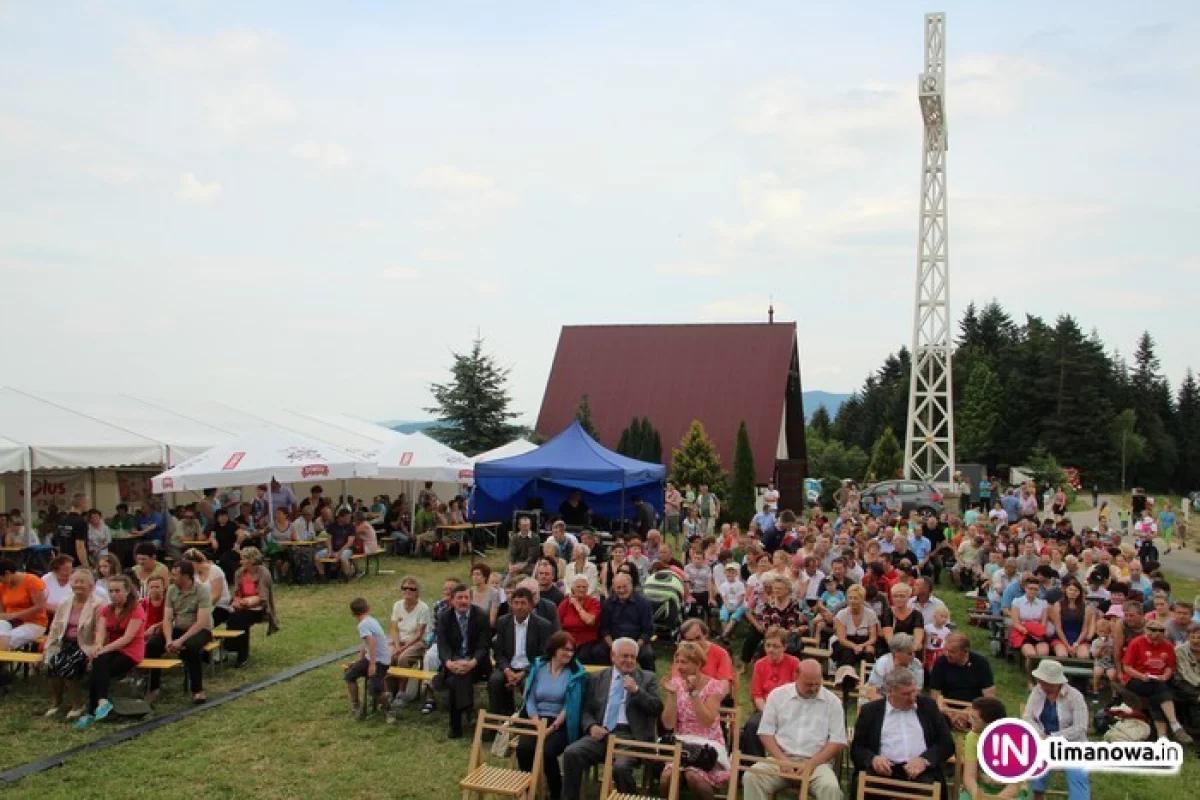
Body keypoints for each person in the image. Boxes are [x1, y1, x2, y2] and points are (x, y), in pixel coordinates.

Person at [561, 638, 663, 800]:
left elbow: (657, 708)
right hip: (602, 733)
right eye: (624, 656)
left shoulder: (647, 678)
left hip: (631, 737)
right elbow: (586, 709)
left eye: (632, 657)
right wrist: (591, 726)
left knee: (620, 768)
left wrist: (636, 691)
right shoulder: (597, 678)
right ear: (613, 656)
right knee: (571, 753)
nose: (629, 661)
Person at [743, 659, 847, 800]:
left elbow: (838, 740)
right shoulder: (777, 695)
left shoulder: (833, 702)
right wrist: (782, 760)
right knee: (752, 776)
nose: (813, 688)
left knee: (831, 788)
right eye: (808, 684)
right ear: (796, 676)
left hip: (816, 764)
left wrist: (812, 764)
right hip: (780, 760)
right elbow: (765, 732)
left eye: (817, 684)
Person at [851, 668, 954, 792]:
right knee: (864, 785)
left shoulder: (928, 707)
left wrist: (924, 761)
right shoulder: (870, 711)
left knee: (931, 788)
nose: (912, 698)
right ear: (890, 691)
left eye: (914, 692)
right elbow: (857, 748)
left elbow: (947, 744)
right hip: (884, 771)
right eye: (905, 694)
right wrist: (873, 759)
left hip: (921, 771)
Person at [517, 631, 588, 799]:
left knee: (547, 751)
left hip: (561, 722)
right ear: (554, 649)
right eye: (565, 649)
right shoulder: (539, 667)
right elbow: (530, 696)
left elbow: (570, 705)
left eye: (572, 650)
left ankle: (557, 792)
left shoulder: (575, 673)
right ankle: (530, 791)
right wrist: (535, 721)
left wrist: (554, 726)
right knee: (524, 749)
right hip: (536, 718)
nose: (569, 654)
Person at [660, 641, 730, 799]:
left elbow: (707, 722)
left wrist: (693, 694)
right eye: (677, 661)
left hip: (708, 743)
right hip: (682, 743)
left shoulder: (714, 686)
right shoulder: (675, 684)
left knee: (694, 777)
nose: (678, 666)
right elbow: (668, 724)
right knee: (666, 778)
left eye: (684, 662)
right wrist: (672, 695)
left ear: (698, 663)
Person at [75, 574, 146, 728]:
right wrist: (98, 646)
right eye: (111, 591)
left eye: (117, 591)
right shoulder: (106, 609)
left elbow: (127, 638)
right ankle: (101, 703)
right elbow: (100, 632)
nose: (114, 595)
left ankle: (92, 711)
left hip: (130, 652)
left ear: (127, 591)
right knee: (99, 665)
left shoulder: (136, 610)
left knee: (99, 667)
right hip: (110, 650)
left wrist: (103, 650)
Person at [1023, 660, 1091, 800]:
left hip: (1072, 746)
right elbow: (1027, 717)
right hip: (1043, 742)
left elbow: (1080, 727)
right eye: (1041, 681)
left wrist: (1053, 738)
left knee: (1077, 775)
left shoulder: (1075, 696)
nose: (1043, 685)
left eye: (1047, 683)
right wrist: (1040, 736)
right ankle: (1037, 795)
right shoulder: (1037, 691)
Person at [43, 568, 103, 720]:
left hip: (85, 645)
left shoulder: (98, 604)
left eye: (82, 582)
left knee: (67, 665)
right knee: (53, 662)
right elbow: (55, 627)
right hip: (65, 643)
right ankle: (57, 702)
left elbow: (100, 631)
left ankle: (78, 704)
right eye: (75, 581)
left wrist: (96, 650)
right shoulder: (65, 601)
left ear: (91, 585)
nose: (78, 585)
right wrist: (48, 647)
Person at [1121, 618, 1193, 743]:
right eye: (1151, 639)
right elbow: (1127, 667)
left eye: (1157, 640)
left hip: (1158, 680)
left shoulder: (1167, 646)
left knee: (1158, 694)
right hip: (1137, 679)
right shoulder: (1136, 643)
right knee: (1159, 689)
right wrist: (1141, 676)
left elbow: (1170, 666)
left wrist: (1165, 675)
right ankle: (1175, 725)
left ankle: (1162, 735)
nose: (1154, 642)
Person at [151, 560, 213, 704]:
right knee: (153, 644)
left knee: (191, 647)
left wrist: (180, 641)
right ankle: (153, 687)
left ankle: (197, 690)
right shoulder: (172, 590)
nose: (172, 578)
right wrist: (168, 640)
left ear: (186, 576)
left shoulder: (202, 590)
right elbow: (167, 618)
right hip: (178, 627)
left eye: (175, 575)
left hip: (200, 630)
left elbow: (201, 622)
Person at [435, 583, 491, 738]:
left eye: (466, 597)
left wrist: (472, 662)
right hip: (453, 664)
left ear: (471, 599)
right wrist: (449, 663)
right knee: (456, 678)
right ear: (452, 601)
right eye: (459, 598)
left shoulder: (481, 616)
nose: (463, 601)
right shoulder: (444, 618)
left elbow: (484, 645)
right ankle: (468, 712)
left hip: (477, 665)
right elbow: (443, 646)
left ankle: (456, 726)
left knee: (457, 680)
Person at [489, 586, 555, 716]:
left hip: (530, 668)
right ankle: (496, 720)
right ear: (511, 604)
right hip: (508, 667)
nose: (519, 607)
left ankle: (526, 719)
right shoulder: (503, 622)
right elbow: (498, 653)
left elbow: (544, 655)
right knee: (495, 681)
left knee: (528, 683)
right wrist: (507, 670)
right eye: (516, 603)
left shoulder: (543, 625)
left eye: (523, 603)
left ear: (531, 606)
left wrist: (525, 672)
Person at [962, 697, 1029, 799]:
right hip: (982, 786)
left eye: (974, 718)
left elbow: (1013, 787)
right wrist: (977, 795)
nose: (969, 720)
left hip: (1010, 790)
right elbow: (969, 777)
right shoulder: (972, 737)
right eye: (970, 716)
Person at [929, 633, 997, 731]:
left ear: (965, 651)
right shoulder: (941, 663)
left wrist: (966, 714)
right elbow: (935, 694)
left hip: (974, 708)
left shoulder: (981, 663)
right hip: (947, 708)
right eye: (946, 650)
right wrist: (952, 715)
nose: (947, 654)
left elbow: (989, 696)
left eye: (952, 652)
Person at [384, 575, 430, 717]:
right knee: (386, 656)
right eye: (405, 588)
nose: (408, 591)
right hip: (398, 640)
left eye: (412, 589)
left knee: (402, 658)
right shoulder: (397, 605)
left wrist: (402, 649)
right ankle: (388, 691)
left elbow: (419, 633)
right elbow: (394, 628)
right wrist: (397, 645)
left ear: (417, 591)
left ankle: (402, 692)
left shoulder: (423, 608)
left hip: (416, 642)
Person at [225, 547, 279, 668]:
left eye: (243, 559)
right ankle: (231, 647)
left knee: (241, 619)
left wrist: (248, 603)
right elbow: (237, 593)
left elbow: (262, 598)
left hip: (259, 608)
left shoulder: (263, 573)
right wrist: (237, 601)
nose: (241, 562)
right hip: (242, 605)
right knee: (233, 616)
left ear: (251, 560)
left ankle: (241, 655)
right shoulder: (239, 573)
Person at [344, 597, 391, 719]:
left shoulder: (363, 625)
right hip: (372, 658)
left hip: (381, 661)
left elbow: (372, 643)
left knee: (374, 688)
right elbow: (365, 646)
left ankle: (389, 710)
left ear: (353, 613)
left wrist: (372, 665)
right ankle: (356, 705)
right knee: (350, 674)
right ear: (368, 608)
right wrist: (359, 662)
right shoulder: (371, 620)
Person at [599, 573, 655, 671]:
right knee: (598, 652)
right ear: (614, 588)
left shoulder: (644, 603)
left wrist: (634, 647)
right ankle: (606, 681)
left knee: (648, 655)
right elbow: (605, 630)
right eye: (618, 587)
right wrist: (613, 647)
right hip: (614, 643)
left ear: (631, 585)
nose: (621, 590)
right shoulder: (608, 603)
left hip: (637, 642)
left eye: (624, 587)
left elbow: (648, 631)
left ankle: (649, 681)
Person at [831, 584, 879, 688]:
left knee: (869, 653)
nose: (852, 601)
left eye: (856, 598)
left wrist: (862, 646)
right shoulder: (842, 614)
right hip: (846, 642)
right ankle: (846, 684)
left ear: (862, 599)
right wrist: (855, 646)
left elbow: (873, 637)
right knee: (846, 654)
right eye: (850, 598)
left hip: (865, 641)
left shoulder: (870, 614)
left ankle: (866, 684)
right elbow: (842, 639)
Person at [0, 558, 48, 651]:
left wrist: (15, 615)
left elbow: (40, 606)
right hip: (10, 622)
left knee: (4, 641)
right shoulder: (2, 586)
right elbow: (2, 609)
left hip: (34, 623)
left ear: (7, 573)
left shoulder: (32, 581)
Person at [862, 633, 923, 702]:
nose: (913, 656)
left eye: (914, 652)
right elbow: (872, 690)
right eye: (909, 653)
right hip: (880, 698)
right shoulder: (883, 663)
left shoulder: (916, 664)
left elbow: (917, 691)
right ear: (897, 653)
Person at [559, 575, 605, 664]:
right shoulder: (565, 604)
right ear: (573, 588)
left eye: (584, 587)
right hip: (568, 640)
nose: (581, 589)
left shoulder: (594, 602)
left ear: (588, 589)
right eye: (578, 587)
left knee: (582, 655)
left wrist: (577, 605)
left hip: (588, 641)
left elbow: (590, 621)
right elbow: (557, 623)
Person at [185, 549, 231, 627]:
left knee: (200, 623)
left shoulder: (215, 570)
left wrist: (202, 607)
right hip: (200, 607)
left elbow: (216, 595)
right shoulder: (194, 575)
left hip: (219, 606)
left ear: (193, 562)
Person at [1050, 577, 1093, 660]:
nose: (1072, 592)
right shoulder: (1058, 605)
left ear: (1079, 593)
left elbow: (1085, 629)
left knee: (1083, 656)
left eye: (1075, 590)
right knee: (1062, 656)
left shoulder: (1086, 608)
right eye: (1070, 589)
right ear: (1066, 591)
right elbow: (1058, 628)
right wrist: (1067, 646)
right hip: (1061, 637)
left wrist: (1076, 644)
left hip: (1079, 638)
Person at [56, 493, 90, 567]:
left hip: (63, 561)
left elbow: (59, 542)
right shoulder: (80, 521)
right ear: (82, 503)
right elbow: (80, 546)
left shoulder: (63, 519)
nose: (87, 505)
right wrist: (86, 566)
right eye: (87, 502)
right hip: (75, 563)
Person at [469, 562, 502, 628]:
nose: (474, 577)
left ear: (485, 577)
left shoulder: (494, 593)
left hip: (486, 629)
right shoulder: (469, 591)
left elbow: (492, 621)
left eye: (478, 574)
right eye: (473, 574)